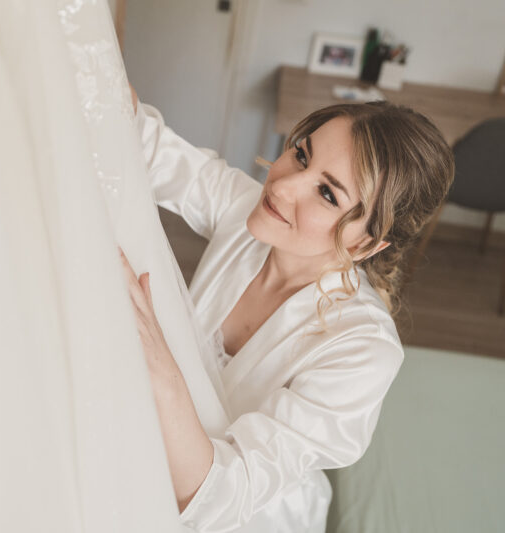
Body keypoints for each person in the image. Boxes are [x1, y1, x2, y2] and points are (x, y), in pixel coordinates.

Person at [119, 88, 454, 532]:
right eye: (301, 154)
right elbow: (146, 145)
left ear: (365, 243)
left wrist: (158, 365)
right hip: (151, 461)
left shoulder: (364, 351)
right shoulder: (247, 211)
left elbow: (222, 496)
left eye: (327, 194)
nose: (281, 185)